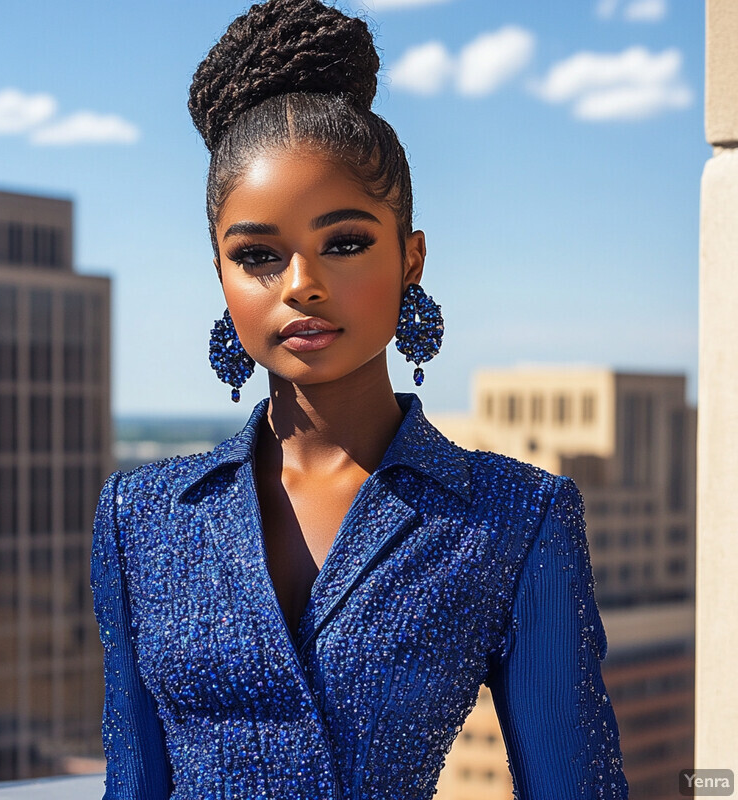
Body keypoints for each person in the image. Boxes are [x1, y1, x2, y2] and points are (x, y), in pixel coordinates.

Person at [89, 0, 629, 797]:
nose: (302, 285)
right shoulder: (139, 520)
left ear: (410, 258)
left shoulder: (519, 519)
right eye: (259, 255)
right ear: (222, 277)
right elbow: (131, 784)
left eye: (344, 243)